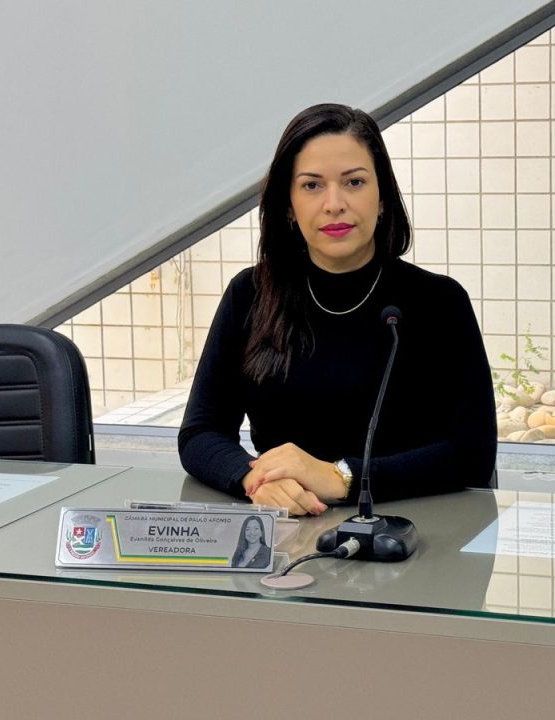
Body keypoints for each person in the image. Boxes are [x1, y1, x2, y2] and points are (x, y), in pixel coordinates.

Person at [178, 103, 497, 516]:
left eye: (354, 182)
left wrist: (342, 477)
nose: (334, 203)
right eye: (312, 185)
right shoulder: (251, 294)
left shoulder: (438, 301)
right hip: (287, 526)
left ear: (382, 198)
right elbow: (200, 432)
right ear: (289, 205)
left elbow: (473, 453)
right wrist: (252, 479)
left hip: (413, 526)